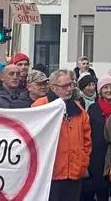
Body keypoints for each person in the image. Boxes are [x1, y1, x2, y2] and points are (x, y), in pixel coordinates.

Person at [34, 70, 93, 201]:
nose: (70, 89)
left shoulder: (79, 110)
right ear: (53, 87)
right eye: (64, 86)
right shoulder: (40, 106)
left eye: (71, 84)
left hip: (75, 173)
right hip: (50, 174)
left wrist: (83, 161)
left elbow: (87, 141)